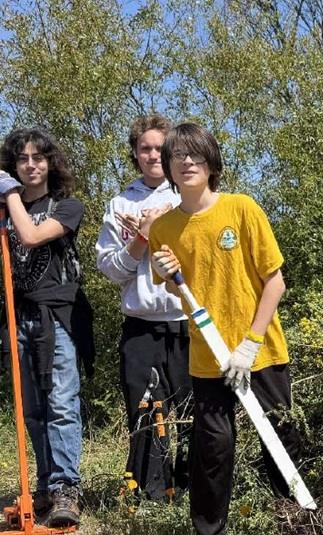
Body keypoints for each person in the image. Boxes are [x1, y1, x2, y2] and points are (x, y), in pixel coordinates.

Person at [148, 122, 301, 535]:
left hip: (261, 352)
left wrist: (250, 345)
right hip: (208, 357)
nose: (187, 162)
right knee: (212, 451)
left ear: (212, 162)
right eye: (178, 155)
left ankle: (300, 533)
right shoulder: (164, 229)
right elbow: (177, 290)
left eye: (195, 154)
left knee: (281, 441)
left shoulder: (242, 208)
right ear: (168, 167)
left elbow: (275, 282)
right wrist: (163, 271)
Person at [0, 127, 94, 528]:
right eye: (22, 159)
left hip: (57, 316)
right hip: (18, 316)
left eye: (38, 158)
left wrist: (9, 194)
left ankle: (66, 488)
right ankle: (45, 485)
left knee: (61, 403)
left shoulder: (67, 206)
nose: (30, 165)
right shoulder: (4, 208)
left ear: (50, 163)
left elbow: (30, 235)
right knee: (33, 409)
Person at [95, 113, 191, 501]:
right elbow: (111, 270)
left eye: (159, 148)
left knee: (193, 413)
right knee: (146, 412)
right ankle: (150, 496)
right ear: (135, 154)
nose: (153, 155)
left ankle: (191, 491)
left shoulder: (188, 197)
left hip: (187, 322)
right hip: (140, 325)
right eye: (145, 148)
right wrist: (142, 237)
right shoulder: (121, 204)